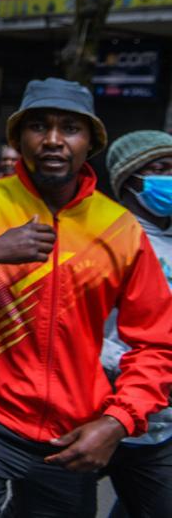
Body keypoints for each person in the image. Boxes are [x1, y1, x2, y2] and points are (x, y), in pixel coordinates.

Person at [0, 79, 172, 518]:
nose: (54, 140)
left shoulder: (120, 230)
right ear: (18, 138)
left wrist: (119, 420)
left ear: (91, 142)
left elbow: (156, 342)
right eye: (39, 126)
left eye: (71, 128)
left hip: (69, 431)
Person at [101, 130, 172, 518]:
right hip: (95, 414)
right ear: (131, 182)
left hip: (159, 428)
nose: (170, 179)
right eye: (160, 169)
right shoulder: (107, 239)